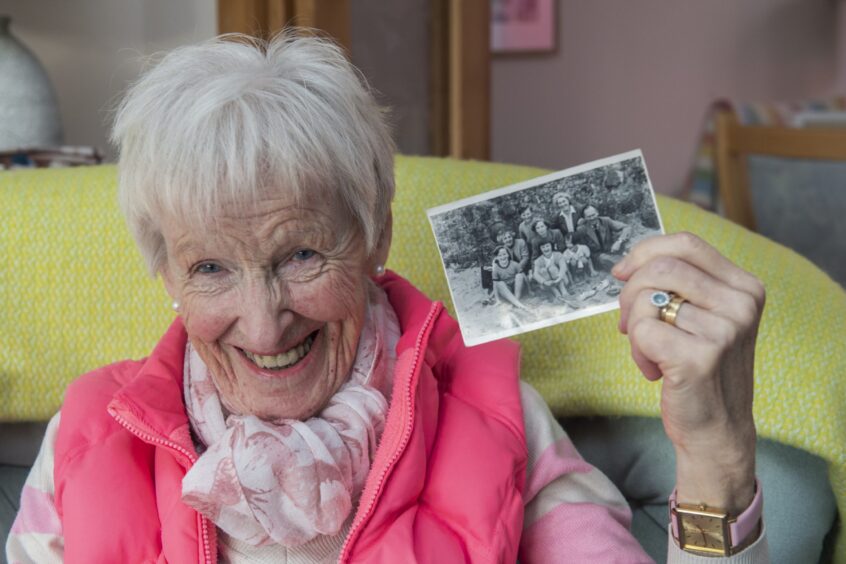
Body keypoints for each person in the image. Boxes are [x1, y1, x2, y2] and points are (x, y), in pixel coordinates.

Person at [7, 32, 769, 562]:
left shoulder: (500, 420)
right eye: (211, 269)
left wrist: (716, 460)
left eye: (302, 254)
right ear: (165, 273)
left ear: (374, 235)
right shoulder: (85, 438)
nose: (267, 325)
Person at [576, 204, 632, 271]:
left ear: (597, 213)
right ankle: (627, 265)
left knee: (630, 245)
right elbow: (583, 248)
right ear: (584, 218)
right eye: (589, 217)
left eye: (593, 215)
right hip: (598, 256)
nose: (592, 218)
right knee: (605, 259)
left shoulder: (606, 220)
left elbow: (627, 227)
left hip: (611, 249)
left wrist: (619, 242)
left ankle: (629, 261)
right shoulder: (581, 229)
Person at [491, 246, 530, 310]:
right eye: (500, 255)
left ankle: (516, 301)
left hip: (517, 288)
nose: (503, 257)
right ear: (496, 258)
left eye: (504, 254)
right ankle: (518, 304)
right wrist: (497, 299)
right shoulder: (496, 269)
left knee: (519, 276)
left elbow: (524, 276)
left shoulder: (514, 264)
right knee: (499, 283)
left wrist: (530, 290)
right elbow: (495, 285)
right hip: (507, 291)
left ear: (508, 255)